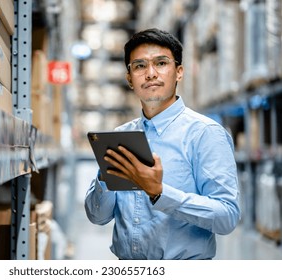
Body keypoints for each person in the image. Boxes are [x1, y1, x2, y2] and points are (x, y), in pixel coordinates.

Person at [84, 28, 241, 260]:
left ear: (179, 72)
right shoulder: (119, 137)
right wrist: (106, 179)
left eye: (161, 63)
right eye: (139, 66)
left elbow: (227, 217)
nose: (150, 74)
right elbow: (98, 217)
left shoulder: (205, 134)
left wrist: (160, 193)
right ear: (129, 79)